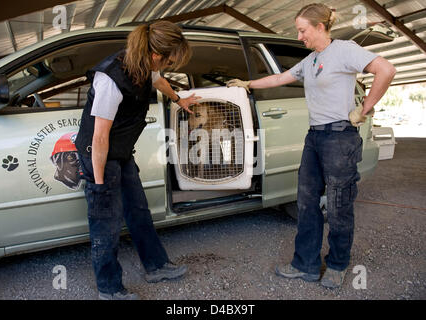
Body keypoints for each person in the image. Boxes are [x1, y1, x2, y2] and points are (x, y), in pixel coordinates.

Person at [228, 3, 396, 288]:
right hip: (315, 137)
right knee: (307, 203)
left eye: (302, 30)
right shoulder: (311, 60)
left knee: (339, 205)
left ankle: (337, 264)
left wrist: (365, 108)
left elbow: (386, 70)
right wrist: (248, 84)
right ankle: (304, 264)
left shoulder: (344, 49)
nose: (299, 36)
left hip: (340, 138)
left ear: (320, 27)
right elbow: (281, 77)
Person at [75, 21, 200, 300]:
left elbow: (158, 81)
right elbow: (99, 137)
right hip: (99, 153)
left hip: (120, 151)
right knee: (105, 220)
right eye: (169, 60)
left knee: (138, 209)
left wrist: (179, 99)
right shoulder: (111, 77)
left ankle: (156, 266)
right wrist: (98, 184)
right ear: (157, 55)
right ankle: (109, 288)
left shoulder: (147, 64)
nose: (168, 65)